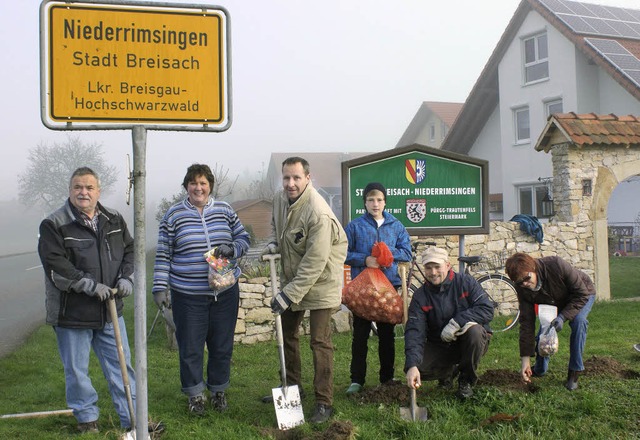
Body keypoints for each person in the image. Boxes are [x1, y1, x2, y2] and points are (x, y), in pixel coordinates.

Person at [37, 167, 151, 434]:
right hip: (72, 313)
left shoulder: (114, 219)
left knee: (122, 367)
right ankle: (87, 420)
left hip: (110, 310)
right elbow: (55, 266)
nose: (83, 192)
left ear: (98, 191)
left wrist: (127, 278)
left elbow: (132, 250)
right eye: (78, 187)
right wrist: (90, 286)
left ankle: (133, 421)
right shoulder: (54, 224)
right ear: (70, 190)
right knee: (77, 370)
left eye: (89, 187)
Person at [152, 164, 250, 415]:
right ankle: (195, 396)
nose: (199, 187)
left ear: (210, 186)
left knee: (221, 345)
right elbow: (163, 254)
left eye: (203, 183)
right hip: (188, 295)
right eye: (193, 183)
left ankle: (218, 391)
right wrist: (160, 287)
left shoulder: (225, 210)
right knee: (191, 347)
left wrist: (233, 249)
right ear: (186, 186)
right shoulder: (173, 216)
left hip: (225, 292)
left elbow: (243, 238)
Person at [261, 156, 348, 424]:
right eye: (286, 177)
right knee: (287, 334)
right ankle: (293, 388)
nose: (290, 183)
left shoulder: (318, 212)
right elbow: (277, 224)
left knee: (319, 341)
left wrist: (288, 294)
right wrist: (275, 243)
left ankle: (324, 401)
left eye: (296, 178)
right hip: (294, 276)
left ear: (308, 178)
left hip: (321, 280)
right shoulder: (279, 199)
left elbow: (315, 262)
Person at [343, 182, 412, 395]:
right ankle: (357, 380)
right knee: (360, 335)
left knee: (386, 335)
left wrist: (386, 254)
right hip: (363, 289)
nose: (375, 204)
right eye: (371, 200)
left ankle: (387, 377)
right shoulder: (354, 226)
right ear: (364, 202)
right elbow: (341, 253)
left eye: (379, 200)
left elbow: (407, 253)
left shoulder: (396, 225)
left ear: (385, 202)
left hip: (387, 290)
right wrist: (366, 259)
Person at [404, 247, 494, 400]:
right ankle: (449, 372)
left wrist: (457, 322)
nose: (433, 273)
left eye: (437, 267)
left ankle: (465, 380)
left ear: (447, 265)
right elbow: (414, 331)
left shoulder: (466, 283)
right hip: (441, 344)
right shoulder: (420, 296)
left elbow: (487, 309)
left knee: (476, 332)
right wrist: (412, 365)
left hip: (470, 341)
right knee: (418, 367)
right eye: (428, 268)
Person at [505, 252, 596, 391]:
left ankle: (574, 371)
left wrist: (562, 317)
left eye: (527, 278)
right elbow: (526, 323)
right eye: (519, 282)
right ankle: (540, 369)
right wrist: (525, 360)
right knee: (545, 329)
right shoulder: (522, 288)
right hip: (553, 301)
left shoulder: (556, 265)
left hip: (581, 294)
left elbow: (581, 294)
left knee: (579, 322)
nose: (525, 283)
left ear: (533, 268)